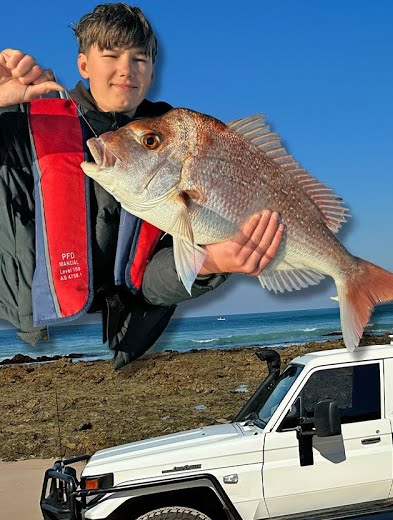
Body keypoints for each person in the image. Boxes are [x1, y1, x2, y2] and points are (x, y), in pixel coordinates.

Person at [0, 4, 283, 368]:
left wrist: (211, 262)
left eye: (139, 59)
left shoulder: (178, 143)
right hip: (23, 336)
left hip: (126, 349)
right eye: (111, 55)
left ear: (152, 73)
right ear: (83, 65)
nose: (126, 70)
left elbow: (151, 281)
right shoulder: (24, 119)